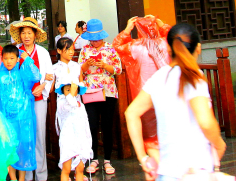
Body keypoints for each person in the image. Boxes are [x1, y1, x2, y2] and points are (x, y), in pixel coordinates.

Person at [125, 23, 226, 181]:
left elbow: (131, 113)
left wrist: (143, 158)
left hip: (167, 171)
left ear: (169, 49)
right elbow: (205, 121)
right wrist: (219, 143)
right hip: (195, 170)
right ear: (198, 48)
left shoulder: (159, 77)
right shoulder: (194, 76)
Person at [112, 15, 171, 157]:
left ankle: (151, 155)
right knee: (168, 123)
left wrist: (127, 29)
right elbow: (174, 36)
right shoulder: (165, 43)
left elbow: (117, 46)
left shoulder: (136, 46)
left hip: (145, 92)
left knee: (149, 131)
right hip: (167, 90)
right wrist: (160, 22)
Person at [77, 18, 122, 176]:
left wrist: (105, 66)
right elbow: (80, 71)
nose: (94, 42)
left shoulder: (110, 49)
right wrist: (87, 65)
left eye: (97, 39)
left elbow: (118, 69)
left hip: (108, 92)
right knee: (92, 125)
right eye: (92, 39)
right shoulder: (85, 50)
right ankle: (94, 158)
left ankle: (108, 160)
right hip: (90, 93)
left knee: (107, 126)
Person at [11, 17, 54, 181]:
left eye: (29, 33)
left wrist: (42, 86)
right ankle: (26, 174)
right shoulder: (16, 52)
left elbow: (50, 75)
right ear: (19, 35)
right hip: (20, 101)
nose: (26, 36)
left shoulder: (42, 52)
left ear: (35, 35)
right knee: (23, 136)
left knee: (39, 134)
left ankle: (41, 174)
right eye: (23, 33)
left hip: (38, 100)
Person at [0, 44, 42, 181]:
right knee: (9, 148)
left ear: (17, 59)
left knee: (24, 148)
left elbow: (36, 76)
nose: (9, 61)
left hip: (24, 118)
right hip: (6, 119)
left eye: (12, 58)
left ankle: (21, 179)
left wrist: (27, 60)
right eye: (6, 58)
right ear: (2, 59)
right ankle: (13, 178)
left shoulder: (23, 73)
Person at [52, 37, 92, 181]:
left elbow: (81, 84)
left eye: (72, 49)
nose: (71, 52)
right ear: (59, 51)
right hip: (64, 108)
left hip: (78, 107)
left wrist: (77, 91)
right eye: (67, 49)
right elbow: (52, 89)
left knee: (82, 139)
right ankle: (67, 170)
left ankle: (80, 170)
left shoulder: (77, 66)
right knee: (67, 143)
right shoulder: (55, 68)